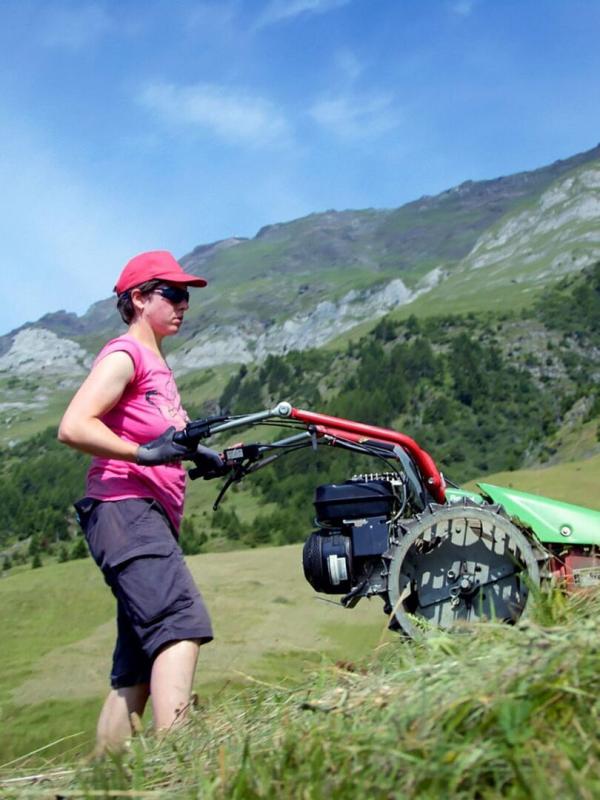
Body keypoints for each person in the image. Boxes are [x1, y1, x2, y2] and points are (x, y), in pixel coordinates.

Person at [58, 250, 220, 753]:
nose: (183, 303)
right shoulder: (125, 355)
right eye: (172, 293)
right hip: (125, 508)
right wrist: (142, 452)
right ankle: (179, 756)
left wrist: (214, 457)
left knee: (136, 665)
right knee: (178, 622)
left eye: (186, 294)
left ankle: (105, 778)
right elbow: (74, 425)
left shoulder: (158, 368)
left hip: (139, 515)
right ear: (138, 298)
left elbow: (169, 442)